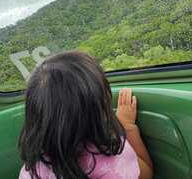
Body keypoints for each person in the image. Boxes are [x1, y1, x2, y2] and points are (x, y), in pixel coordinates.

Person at [18, 51, 153, 179]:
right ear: (99, 112)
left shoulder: (33, 168)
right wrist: (126, 126)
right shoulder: (112, 159)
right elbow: (147, 174)